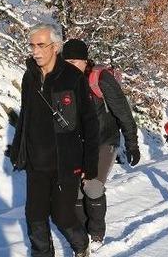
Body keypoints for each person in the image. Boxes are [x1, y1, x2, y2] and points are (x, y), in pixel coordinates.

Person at [9, 25, 100, 257]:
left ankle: (81, 246)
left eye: (41, 45)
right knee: (35, 217)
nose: (35, 51)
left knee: (62, 215)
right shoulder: (29, 76)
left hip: (66, 163)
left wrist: (90, 165)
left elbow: (90, 123)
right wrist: (18, 150)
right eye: (32, 45)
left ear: (56, 47)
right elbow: (25, 115)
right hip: (36, 163)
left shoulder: (73, 77)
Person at [62, 39, 140, 245]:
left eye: (75, 61)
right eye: (66, 61)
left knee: (93, 186)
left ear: (85, 60)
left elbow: (123, 112)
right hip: (78, 144)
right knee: (75, 191)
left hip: (105, 140)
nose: (70, 66)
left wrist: (132, 143)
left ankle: (96, 234)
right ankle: (83, 233)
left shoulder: (101, 79)